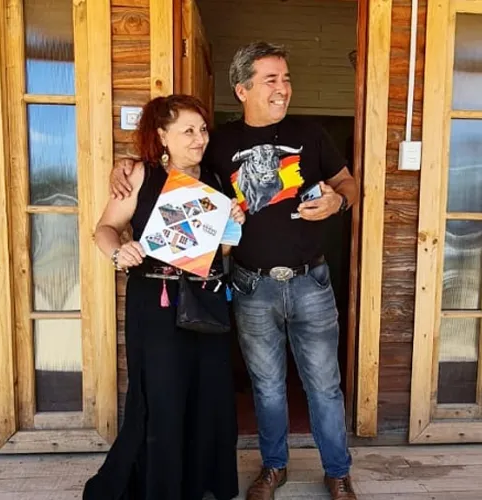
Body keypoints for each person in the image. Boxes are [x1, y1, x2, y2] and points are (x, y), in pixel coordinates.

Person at [110, 42, 359, 500]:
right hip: (249, 283)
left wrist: (339, 201)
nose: (283, 88)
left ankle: (338, 472)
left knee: (324, 385)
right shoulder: (217, 144)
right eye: (271, 79)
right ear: (242, 90)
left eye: (286, 78)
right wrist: (124, 164)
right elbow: (170, 164)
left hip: (311, 280)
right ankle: (274, 468)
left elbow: (348, 182)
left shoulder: (311, 132)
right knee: (266, 386)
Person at [84, 94, 244, 500]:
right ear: (162, 135)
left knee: (207, 394)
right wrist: (119, 252)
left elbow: (222, 252)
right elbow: (104, 229)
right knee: (162, 396)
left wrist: (232, 224)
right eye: (187, 131)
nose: (199, 139)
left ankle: (198, 484)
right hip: (155, 304)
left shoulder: (216, 179)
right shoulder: (141, 175)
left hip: (205, 301)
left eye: (202, 129)